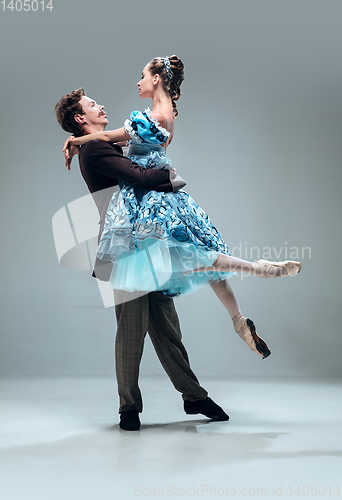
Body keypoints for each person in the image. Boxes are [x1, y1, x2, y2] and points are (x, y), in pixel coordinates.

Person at [63, 55, 301, 364]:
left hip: (153, 196)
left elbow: (109, 139)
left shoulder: (149, 118)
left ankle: (256, 269)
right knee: (200, 253)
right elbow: (116, 147)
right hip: (169, 192)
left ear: (157, 79)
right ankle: (239, 321)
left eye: (143, 76)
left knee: (181, 261)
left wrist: (76, 139)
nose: (138, 82)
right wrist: (81, 140)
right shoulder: (165, 115)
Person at [55, 86, 231, 431]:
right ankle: (128, 408)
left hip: (144, 246)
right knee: (132, 330)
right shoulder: (93, 150)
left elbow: (145, 149)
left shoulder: (104, 144)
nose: (101, 105)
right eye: (93, 104)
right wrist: (171, 176)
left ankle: (194, 396)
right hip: (122, 251)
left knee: (167, 328)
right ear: (80, 118)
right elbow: (139, 176)